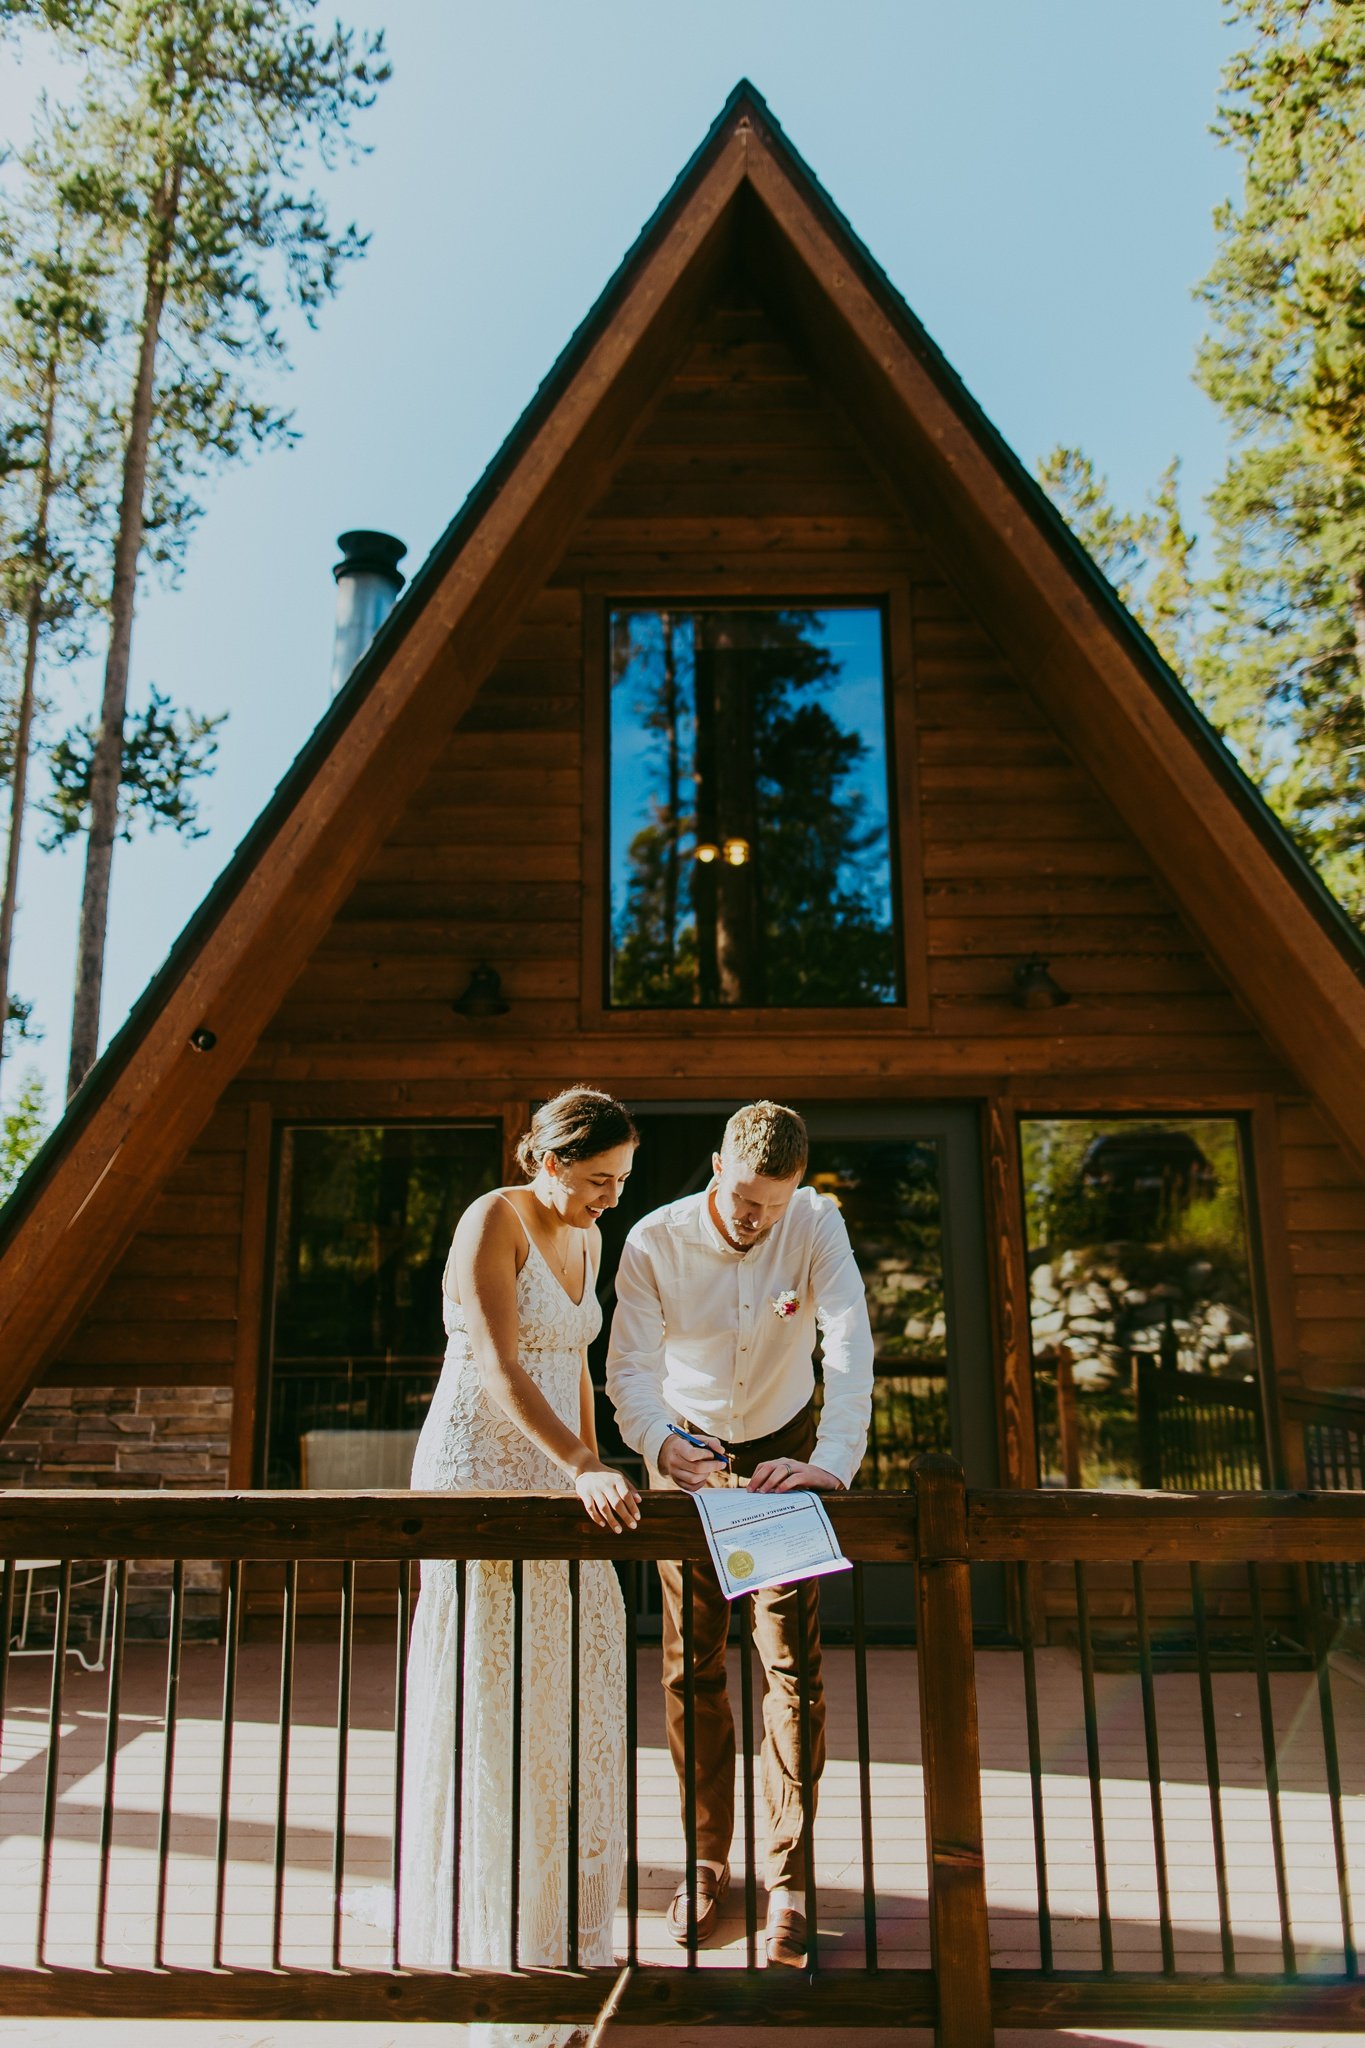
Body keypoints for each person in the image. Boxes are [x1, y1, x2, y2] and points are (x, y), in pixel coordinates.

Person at [606, 1100, 873, 1968]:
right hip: (686, 1453)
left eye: (777, 1201)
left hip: (783, 1457)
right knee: (693, 1664)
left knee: (790, 1664)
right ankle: (704, 1857)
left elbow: (846, 1343)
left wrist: (831, 1460)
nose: (759, 1217)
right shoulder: (653, 1239)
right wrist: (656, 1444)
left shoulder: (816, 1223)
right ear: (718, 1165)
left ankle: (789, 1876)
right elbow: (629, 1368)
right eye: (747, 1197)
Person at [392, 1084, 640, 1991]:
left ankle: (551, 1902)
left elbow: (570, 1356)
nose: (608, 1197)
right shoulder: (490, 1218)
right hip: (477, 1462)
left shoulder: (592, 1235)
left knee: (567, 1674)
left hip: (561, 1468)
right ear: (545, 1159)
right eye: (595, 1180)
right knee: (490, 1683)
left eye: (618, 1181)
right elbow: (497, 1363)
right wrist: (579, 1463)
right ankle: (477, 1904)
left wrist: (595, 1461)